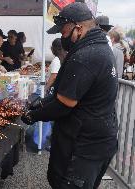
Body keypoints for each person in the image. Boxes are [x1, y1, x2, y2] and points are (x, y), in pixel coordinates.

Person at [22, 2, 118, 189]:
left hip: (83, 147)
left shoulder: (85, 57)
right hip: (100, 141)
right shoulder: (100, 47)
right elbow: (64, 92)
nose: (61, 37)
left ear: (79, 29)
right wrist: (41, 103)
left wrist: (33, 116)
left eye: (64, 33)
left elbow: (63, 104)